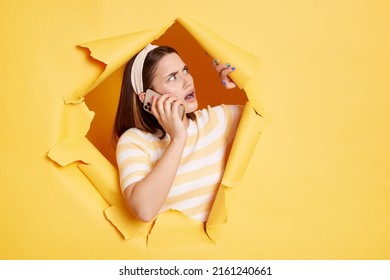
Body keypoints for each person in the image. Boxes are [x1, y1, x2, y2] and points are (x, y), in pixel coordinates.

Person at [114, 44, 242, 223]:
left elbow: (278, 116)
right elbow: (144, 210)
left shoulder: (216, 120)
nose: (188, 81)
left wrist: (242, 81)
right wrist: (178, 137)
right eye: (172, 77)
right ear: (148, 98)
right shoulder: (135, 141)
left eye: (185, 70)